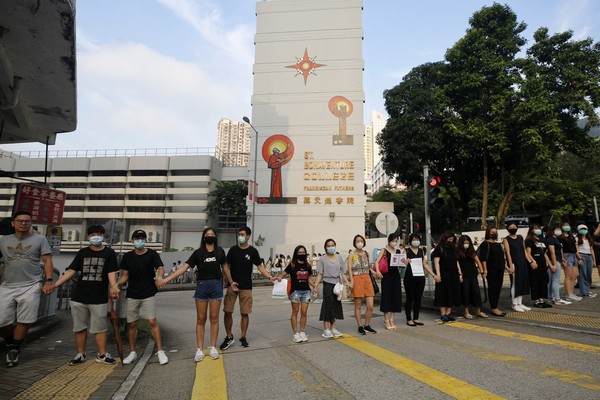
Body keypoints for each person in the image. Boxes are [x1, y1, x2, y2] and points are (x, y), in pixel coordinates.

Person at [49, 225, 120, 365]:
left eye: (99, 234)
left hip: (99, 297)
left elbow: (111, 272)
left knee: (100, 328)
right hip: (79, 296)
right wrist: (55, 284)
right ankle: (80, 354)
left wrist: (114, 287)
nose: (96, 236)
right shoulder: (82, 253)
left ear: (104, 236)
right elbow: (71, 271)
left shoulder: (109, 253)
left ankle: (102, 354)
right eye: (93, 234)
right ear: (88, 236)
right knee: (79, 327)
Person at [161, 227, 226, 361]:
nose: (210, 236)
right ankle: (199, 349)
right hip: (202, 286)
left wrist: (231, 281)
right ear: (203, 237)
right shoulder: (198, 253)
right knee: (200, 319)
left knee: (214, 318)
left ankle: (213, 347)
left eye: (212, 234)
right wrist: (166, 279)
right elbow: (184, 268)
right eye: (207, 234)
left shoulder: (220, 251)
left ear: (215, 237)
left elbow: (225, 268)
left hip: (216, 285)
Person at [0, 211, 54, 367]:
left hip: (31, 284)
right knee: (2, 321)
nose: (23, 223)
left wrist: (49, 280)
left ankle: (15, 349)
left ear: (31, 223)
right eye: (19, 221)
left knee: (25, 319)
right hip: (7, 285)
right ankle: (10, 343)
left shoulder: (40, 239)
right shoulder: (4, 241)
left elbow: (47, 260)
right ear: (13, 223)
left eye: (27, 221)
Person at [117, 230, 168, 366]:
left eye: (142, 238)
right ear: (132, 240)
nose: (139, 240)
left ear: (145, 239)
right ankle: (132, 352)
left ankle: (160, 351)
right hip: (132, 294)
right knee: (132, 324)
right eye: (137, 238)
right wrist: (115, 285)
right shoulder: (127, 257)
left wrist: (159, 276)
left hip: (148, 293)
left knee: (152, 321)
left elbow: (160, 268)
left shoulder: (152, 254)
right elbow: (125, 275)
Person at [220, 226, 273, 350]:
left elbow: (260, 266)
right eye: (239, 234)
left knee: (245, 313)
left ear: (248, 236)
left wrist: (270, 277)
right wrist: (226, 282)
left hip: (246, 287)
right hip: (232, 286)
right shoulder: (233, 250)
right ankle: (229, 336)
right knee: (227, 311)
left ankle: (243, 337)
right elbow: (227, 268)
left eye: (243, 234)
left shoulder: (253, 251)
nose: (240, 236)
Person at [275, 245, 317, 343]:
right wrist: (279, 278)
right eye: (300, 252)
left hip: (306, 291)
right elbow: (284, 273)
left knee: (304, 312)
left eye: (303, 252)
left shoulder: (308, 265)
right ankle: (295, 333)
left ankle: (302, 332)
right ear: (296, 253)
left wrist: (314, 286)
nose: (302, 254)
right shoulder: (292, 264)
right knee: (295, 311)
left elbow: (309, 278)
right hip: (295, 292)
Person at [313, 238, 348, 338]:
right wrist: (315, 285)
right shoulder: (322, 259)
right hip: (327, 283)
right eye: (328, 246)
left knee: (336, 305)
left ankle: (333, 327)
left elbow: (342, 272)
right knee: (327, 305)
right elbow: (320, 274)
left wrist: (347, 283)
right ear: (325, 247)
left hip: (337, 284)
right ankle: (326, 329)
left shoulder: (339, 258)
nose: (331, 247)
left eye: (332, 245)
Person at [404, 233, 437, 326]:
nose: (415, 241)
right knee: (410, 298)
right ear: (410, 241)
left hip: (420, 277)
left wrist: (433, 274)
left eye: (417, 239)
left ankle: (416, 318)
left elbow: (425, 264)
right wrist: (405, 262)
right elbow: (402, 263)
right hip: (409, 277)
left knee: (418, 298)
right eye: (413, 239)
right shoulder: (406, 251)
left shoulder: (421, 250)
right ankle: (409, 319)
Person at [374, 233, 406, 329]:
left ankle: (392, 319)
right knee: (386, 297)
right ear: (389, 240)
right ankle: (386, 320)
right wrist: (378, 272)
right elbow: (377, 261)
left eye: (396, 241)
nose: (394, 243)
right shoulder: (384, 250)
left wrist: (405, 261)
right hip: (386, 276)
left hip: (396, 276)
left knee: (395, 297)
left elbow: (402, 262)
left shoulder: (398, 251)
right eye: (393, 241)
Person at [347, 234, 377, 335]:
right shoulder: (352, 254)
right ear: (355, 243)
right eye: (357, 241)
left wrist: (376, 272)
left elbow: (368, 267)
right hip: (357, 279)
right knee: (358, 305)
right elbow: (350, 269)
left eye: (361, 240)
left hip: (367, 279)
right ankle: (360, 326)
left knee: (370, 305)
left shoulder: (366, 253)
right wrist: (351, 281)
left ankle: (367, 325)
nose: (359, 242)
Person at [432, 232, 463, 322]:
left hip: (454, 274)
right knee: (443, 293)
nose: (451, 241)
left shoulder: (454, 248)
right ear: (444, 238)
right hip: (443, 274)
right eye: (449, 239)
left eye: (452, 239)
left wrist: (460, 273)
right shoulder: (439, 248)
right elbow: (436, 262)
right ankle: (443, 314)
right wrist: (438, 274)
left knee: (452, 293)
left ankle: (448, 313)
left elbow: (456, 262)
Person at [478, 227, 507, 316]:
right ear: (488, 233)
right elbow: (483, 259)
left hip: (500, 269)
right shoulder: (485, 244)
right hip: (491, 270)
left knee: (498, 288)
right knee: (493, 289)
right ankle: (494, 308)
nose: (494, 233)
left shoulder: (498, 244)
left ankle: (496, 306)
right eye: (492, 232)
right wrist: (484, 270)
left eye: (495, 232)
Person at [503, 223, 531, 312]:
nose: (513, 228)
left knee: (522, 282)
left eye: (514, 227)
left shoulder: (520, 237)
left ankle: (520, 303)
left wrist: (530, 261)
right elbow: (508, 253)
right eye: (510, 227)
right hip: (514, 263)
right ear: (507, 229)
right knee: (515, 283)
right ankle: (514, 304)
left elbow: (524, 251)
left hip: (522, 262)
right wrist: (510, 266)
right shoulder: (506, 239)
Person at [457, 235, 487, 319]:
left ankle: (478, 311)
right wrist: (459, 275)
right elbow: (457, 263)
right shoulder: (458, 252)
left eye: (467, 243)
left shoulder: (472, 251)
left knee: (476, 292)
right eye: (464, 243)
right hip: (464, 275)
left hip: (473, 274)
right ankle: (466, 312)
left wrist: (482, 272)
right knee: (465, 292)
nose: (466, 244)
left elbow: (478, 261)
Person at [525, 225, 552, 308]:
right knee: (535, 281)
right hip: (535, 262)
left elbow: (544, 253)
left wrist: (548, 262)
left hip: (542, 262)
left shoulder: (541, 240)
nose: (538, 230)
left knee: (543, 281)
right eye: (535, 229)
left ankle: (542, 299)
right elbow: (528, 253)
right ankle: (536, 300)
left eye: (538, 228)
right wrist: (532, 261)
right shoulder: (529, 240)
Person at [545, 224, 571, 305]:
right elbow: (552, 253)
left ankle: (550, 298)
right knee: (555, 281)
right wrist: (555, 264)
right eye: (557, 229)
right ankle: (557, 298)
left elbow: (557, 252)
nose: (559, 231)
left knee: (552, 281)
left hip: (556, 260)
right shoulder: (551, 239)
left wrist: (562, 259)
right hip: (554, 261)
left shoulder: (555, 239)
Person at [559, 221, 581, 301]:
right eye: (564, 225)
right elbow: (560, 248)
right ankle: (568, 294)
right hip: (567, 255)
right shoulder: (560, 237)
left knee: (574, 276)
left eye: (568, 225)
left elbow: (576, 248)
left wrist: (579, 258)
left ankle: (571, 293)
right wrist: (562, 258)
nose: (566, 226)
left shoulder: (572, 236)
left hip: (574, 255)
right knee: (568, 276)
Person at [576, 224, 597, 298]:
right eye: (582, 229)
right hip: (582, 256)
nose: (583, 230)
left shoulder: (589, 239)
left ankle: (587, 291)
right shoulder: (577, 239)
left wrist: (594, 260)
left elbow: (591, 250)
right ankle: (583, 292)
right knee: (583, 274)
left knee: (589, 274)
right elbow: (577, 250)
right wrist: (579, 258)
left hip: (589, 256)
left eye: (585, 229)